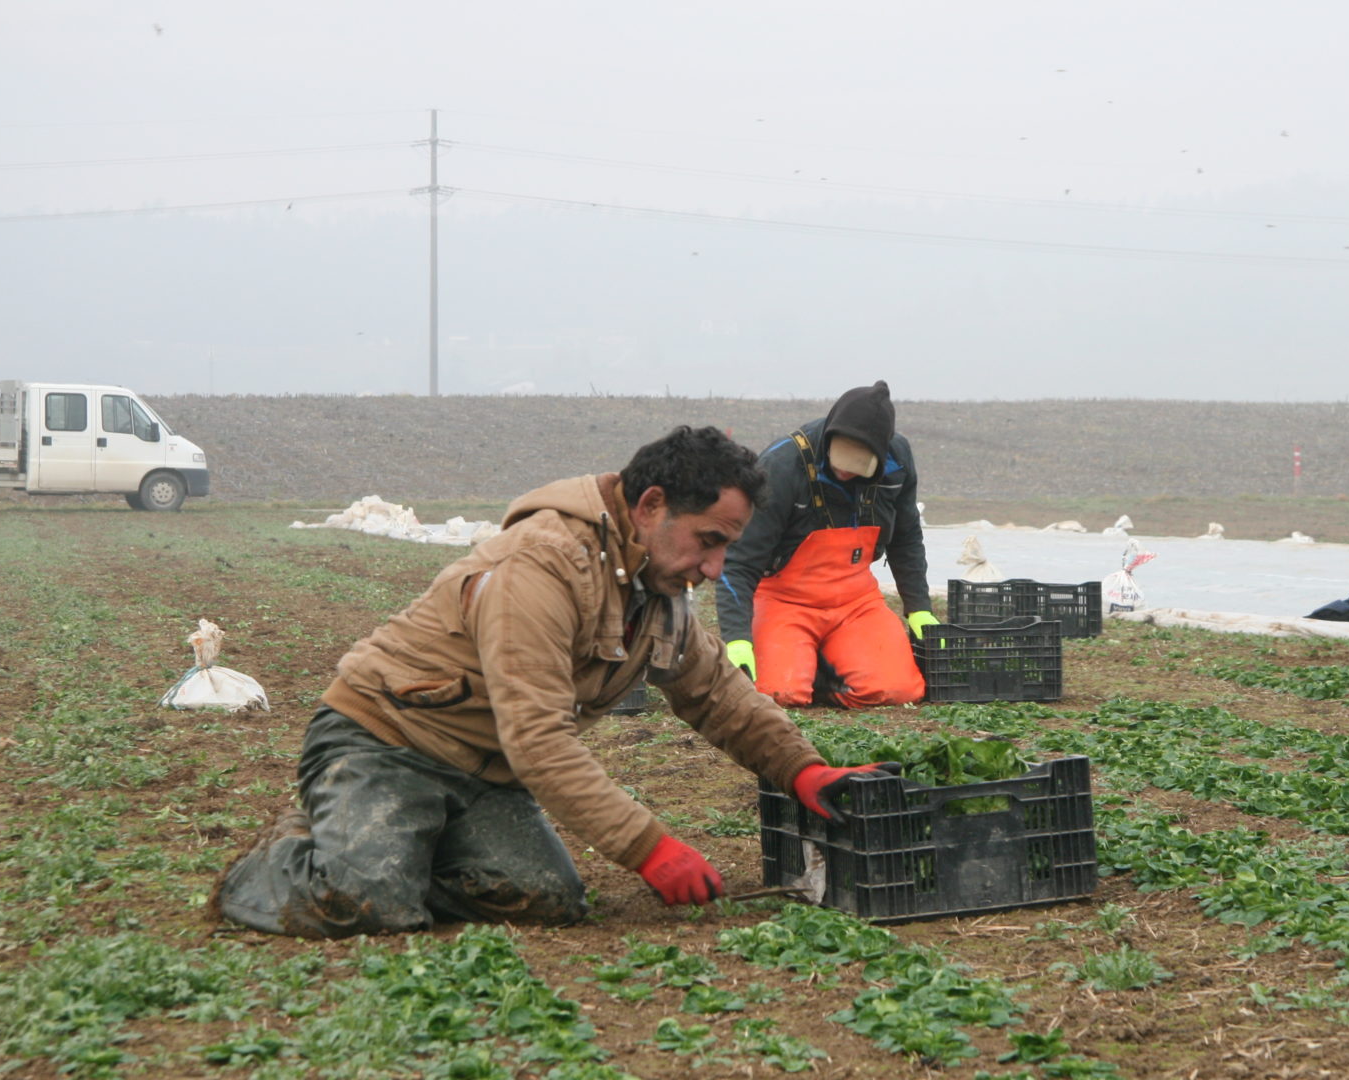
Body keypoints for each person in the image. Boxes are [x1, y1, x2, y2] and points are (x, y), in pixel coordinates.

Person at [210, 426, 894, 938]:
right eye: (708, 540)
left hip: (485, 772)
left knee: (546, 901)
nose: (715, 568)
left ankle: (397, 847)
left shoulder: (655, 586)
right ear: (652, 505)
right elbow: (537, 737)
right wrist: (648, 847)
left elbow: (715, 693)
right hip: (387, 740)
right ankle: (287, 858)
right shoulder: (542, 564)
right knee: (367, 902)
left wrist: (803, 771)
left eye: (726, 548)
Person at [716, 381, 934, 708]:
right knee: (776, 694)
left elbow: (906, 539)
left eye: (857, 467)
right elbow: (738, 563)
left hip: (855, 600)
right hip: (783, 598)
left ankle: (818, 667)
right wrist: (736, 640)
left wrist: (919, 609)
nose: (846, 472)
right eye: (840, 463)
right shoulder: (782, 466)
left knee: (899, 691)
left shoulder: (898, 462)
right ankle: (796, 662)